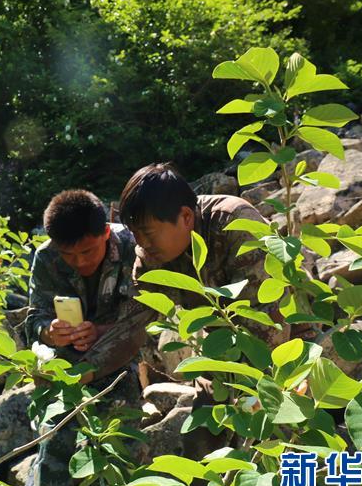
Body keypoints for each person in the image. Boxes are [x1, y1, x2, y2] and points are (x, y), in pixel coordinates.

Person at [23, 190, 146, 486]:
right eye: (69, 254)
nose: (80, 261)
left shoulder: (134, 249)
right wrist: (49, 331)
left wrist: (101, 332)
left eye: (88, 251)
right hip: (64, 366)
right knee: (54, 441)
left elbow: (142, 319)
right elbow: (33, 319)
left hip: (115, 363)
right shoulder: (47, 258)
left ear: (106, 231)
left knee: (119, 442)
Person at [118, 163, 289, 382]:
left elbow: (267, 314)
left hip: (288, 331)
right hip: (224, 345)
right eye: (135, 234)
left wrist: (244, 389)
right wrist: (91, 344)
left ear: (186, 217)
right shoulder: (150, 257)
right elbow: (132, 320)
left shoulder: (235, 223)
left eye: (147, 233)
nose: (141, 243)